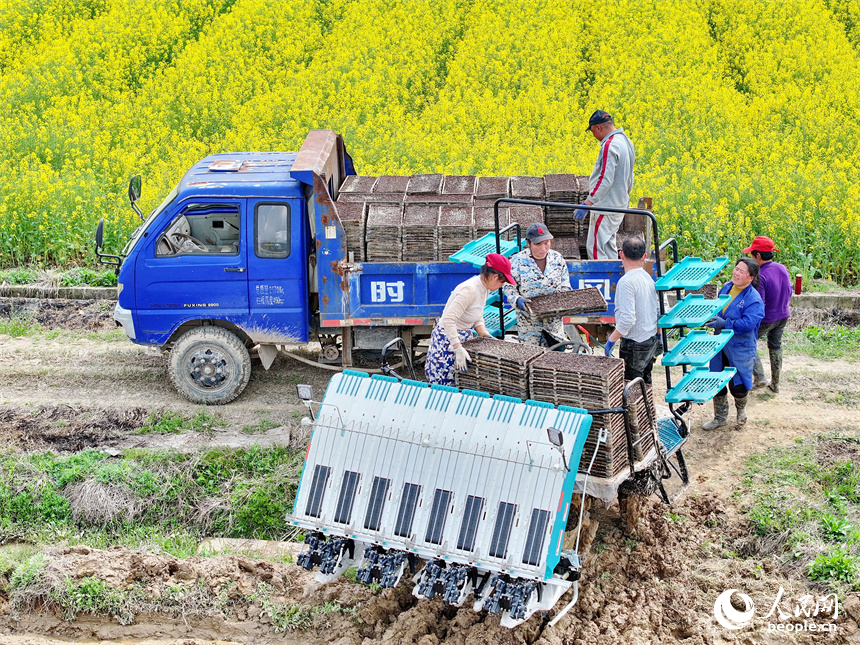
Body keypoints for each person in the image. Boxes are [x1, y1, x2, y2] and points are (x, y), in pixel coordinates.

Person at [425, 253, 516, 386]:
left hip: (463, 336)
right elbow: (449, 319)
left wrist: (483, 333)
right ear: (495, 277)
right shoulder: (469, 290)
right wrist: (457, 347)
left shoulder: (484, 288)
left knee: (461, 382)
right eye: (502, 282)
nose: (501, 286)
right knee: (444, 383)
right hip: (448, 340)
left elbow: (477, 313)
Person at [702, 258, 765, 430]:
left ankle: (741, 412)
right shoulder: (727, 288)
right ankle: (720, 417)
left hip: (740, 348)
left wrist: (725, 324)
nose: (736, 273)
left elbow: (748, 324)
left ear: (750, 278)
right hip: (720, 345)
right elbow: (719, 308)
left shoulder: (754, 299)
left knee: (738, 385)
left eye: (742, 271)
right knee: (717, 380)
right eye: (736, 269)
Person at [573, 110, 636, 261]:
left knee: (595, 248)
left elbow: (605, 179)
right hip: (619, 204)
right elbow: (630, 176)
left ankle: (600, 283)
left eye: (593, 131)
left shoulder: (610, 145)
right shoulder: (626, 141)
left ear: (599, 128)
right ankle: (613, 279)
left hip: (605, 207)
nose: (594, 136)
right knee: (608, 246)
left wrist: (587, 203)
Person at [502, 223, 572, 346]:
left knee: (556, 358)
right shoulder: (517, 261)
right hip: (529, 325)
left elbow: (565, 283)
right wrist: (517, 299)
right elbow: (508, 286)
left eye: (546, 243)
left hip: (553, 324)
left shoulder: (557, 258)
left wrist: (563, 299)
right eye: (538, 244)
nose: (543, 248)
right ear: (529, 244)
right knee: (531, 359)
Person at [604, 235, 662, 383]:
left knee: (631, 391)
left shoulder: (626, 282)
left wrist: (611, 340)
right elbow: (657, 310)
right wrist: (659, 334)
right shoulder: (648, 278)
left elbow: (627, 320)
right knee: (645, 386)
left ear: (621, 254)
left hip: (634, 346)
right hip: (650, 341)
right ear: (644, 257)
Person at [745, 236, 791, 393]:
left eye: (752, 254)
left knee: (747, 341)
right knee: (775, 346)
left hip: (767, 318)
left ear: (758, 256)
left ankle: (760, 378)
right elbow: (789, 291)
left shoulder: (761, 275)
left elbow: (759, 303)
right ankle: (776, 384)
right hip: (783, 315)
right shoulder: (782, 268)